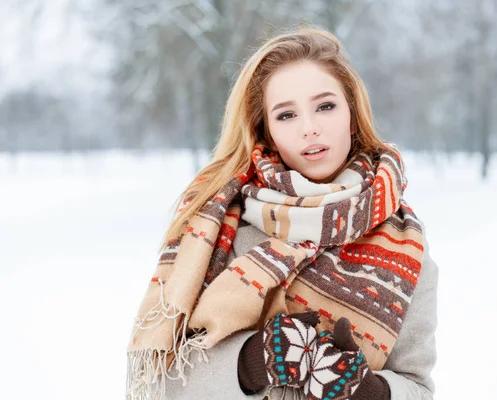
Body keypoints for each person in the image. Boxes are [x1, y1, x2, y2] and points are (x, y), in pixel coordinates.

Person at [126, 25, 438, 400]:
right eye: (286, 115)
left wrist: (368, 390)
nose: (309, 128)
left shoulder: (404, 247)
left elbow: (417, 387)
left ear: (352, 115)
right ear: (267, 130)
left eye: (325, 106)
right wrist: (252, 361)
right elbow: (155, 384)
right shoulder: (220, 224)